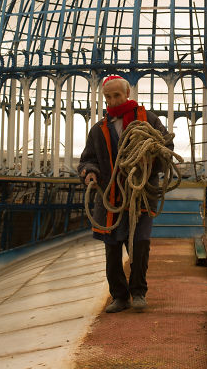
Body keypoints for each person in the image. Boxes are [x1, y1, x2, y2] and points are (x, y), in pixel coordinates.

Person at [78, 75, 173, 313]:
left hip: (141, 196)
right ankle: (119, 297)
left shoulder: (148, 120)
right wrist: (89, 173)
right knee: (112, 247)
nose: (111, 101)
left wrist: (149, 161)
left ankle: (138, 292)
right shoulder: (98, 130)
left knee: (140, 245)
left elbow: (166, 148)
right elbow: (87, 160)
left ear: (127, 93)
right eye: (107, 97)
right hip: (110, 198)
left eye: (116, 95)